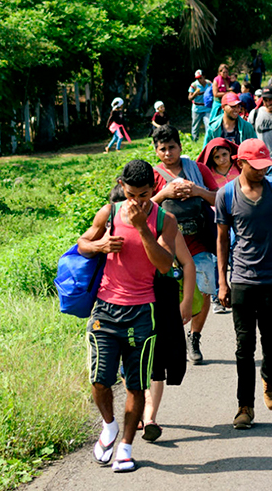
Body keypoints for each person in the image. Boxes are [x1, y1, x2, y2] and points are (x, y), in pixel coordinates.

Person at [79, 159, 178, 473]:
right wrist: (100, 246)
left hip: (142, 312)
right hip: (105, 310)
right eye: (133, 194)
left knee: (136, 385)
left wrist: (140, 228)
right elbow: (81, 244)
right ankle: (109, 427)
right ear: (123, 187)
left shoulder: (165, 220)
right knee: (99, 380)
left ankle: (125, 447)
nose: (138, 201)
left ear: (154, 188)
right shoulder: (108, 213)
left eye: (145, 194)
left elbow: (164, 264)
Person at [215, 139, 272, 429]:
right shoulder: (226, 195)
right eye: (256, 167)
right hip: (241, 278)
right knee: (244, 346)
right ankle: (245, 406)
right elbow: (221, 241)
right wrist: (222, 282)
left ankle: (270, 374)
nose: (262, 172)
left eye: (266, 166)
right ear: (241, 163)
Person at [151, 125, 219, 365]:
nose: (168, 153)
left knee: (204, 290)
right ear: (156, 151)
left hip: (199, 240)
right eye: (163, 149)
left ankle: (195, 337)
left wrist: (196, 190)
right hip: (167, 245)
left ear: (180, 147)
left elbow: (219, 198)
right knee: (167, 293)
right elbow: (143, 207)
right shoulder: (154, 176)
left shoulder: (198, 170)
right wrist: (164, 194)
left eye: (172, 147)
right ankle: (171, 338)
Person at [142, 220, 197, 442]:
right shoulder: (116, 225)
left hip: (163, 301)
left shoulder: (164, 224)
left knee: (157, 362)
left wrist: (187, 301)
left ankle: (149, 418)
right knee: (132, 361)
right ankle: (140, 408)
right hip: (131, 304)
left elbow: (188, 264)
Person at [189, 70, 213, 140]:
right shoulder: (194, 85)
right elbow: (189, 98)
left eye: (200, 78)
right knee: (195, 126)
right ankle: (194, 140)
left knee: (208, 124)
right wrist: (194, 94)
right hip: (197, 109)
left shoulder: (209, 83)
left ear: (204, 76)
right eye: (197, 78)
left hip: (207, 108)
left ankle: (208, 140)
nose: (199, 80)